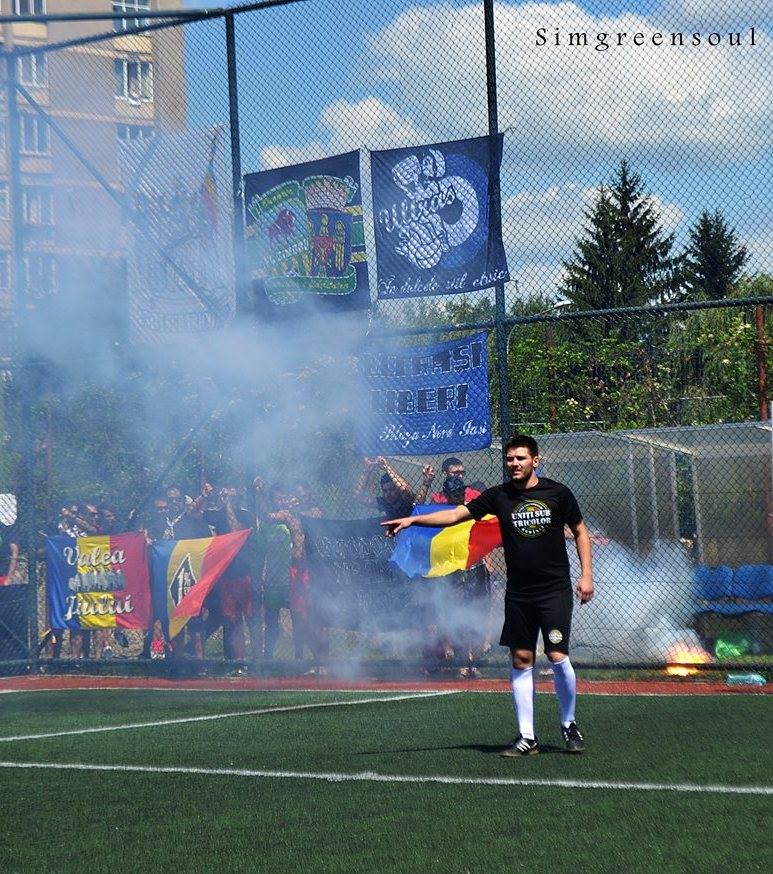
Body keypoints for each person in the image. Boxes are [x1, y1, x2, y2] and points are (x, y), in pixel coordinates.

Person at [383, 434, 594, 756]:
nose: (515, 464)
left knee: (556, 655)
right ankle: (527, 737)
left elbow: (580, 530)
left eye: (521, 458)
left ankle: (569, 724)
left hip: (554, 590)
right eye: (510, 459)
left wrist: (587, 575)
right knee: (522, 658)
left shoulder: (557, 493)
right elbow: (454, 515)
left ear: (535, 460)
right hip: (519, 592)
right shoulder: (498, 496)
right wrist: (414, 520)